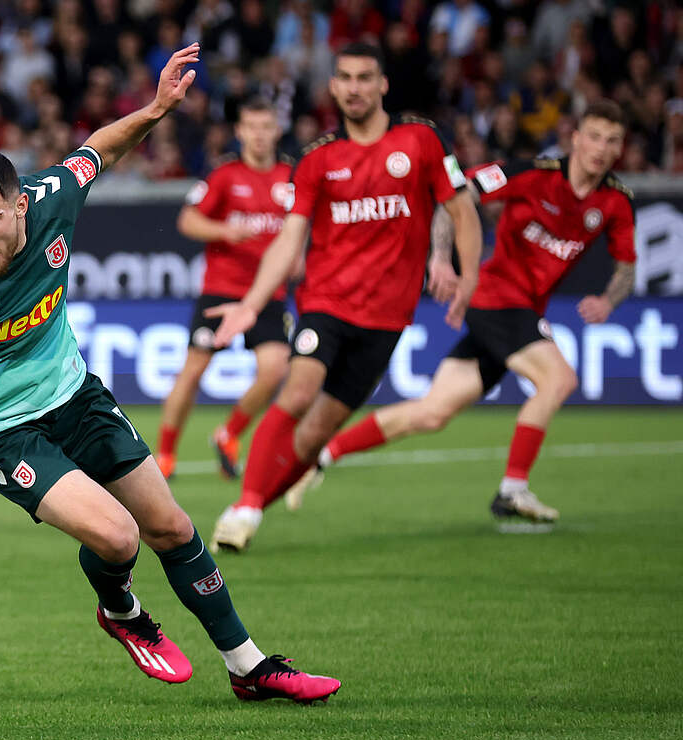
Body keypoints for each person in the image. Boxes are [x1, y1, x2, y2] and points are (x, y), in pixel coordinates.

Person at [0, 45, 341, 704]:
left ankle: (248, 667)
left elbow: (99, 149)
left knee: (170, 527)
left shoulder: (53, 194)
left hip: (73, 395)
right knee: (118, 535)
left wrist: (156, 108)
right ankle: (121, 612)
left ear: (21, 204)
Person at [286, 100, 636, 525]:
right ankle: (513, 489)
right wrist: (440, 257)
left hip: (519, 310)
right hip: (496, 299)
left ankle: (324, 454)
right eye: (594, 136)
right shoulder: (532, 172)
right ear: (576, 138)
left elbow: (627, 266)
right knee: (559, 379)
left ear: (620, 149)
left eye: (612, 141)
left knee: (432, 412)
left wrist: (609, 300)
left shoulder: (615, 201)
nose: (601, 148)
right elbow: (458, 195)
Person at [205, 42, 484, 552]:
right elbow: (290, 238)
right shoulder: (317, 158)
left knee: (313, 440)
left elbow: (461, 209)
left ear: (382, 85)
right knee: (297, 391)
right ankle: (244, 508)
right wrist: (252, 302)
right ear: (333, 87)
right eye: (345, 78)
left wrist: (464, 276)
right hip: (326, 304)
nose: (354, 88)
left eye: (365, 78)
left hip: (388, 316)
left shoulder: (420, 140)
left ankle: (249, 510)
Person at [155, 97, 298, 481]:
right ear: (240, 131)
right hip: (222, 290)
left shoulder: (291, 176)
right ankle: (165, 454)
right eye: (252, 127)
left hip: (268, 294)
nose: (259, 135)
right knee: (193, 371)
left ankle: (229, 434)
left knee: (275, 370)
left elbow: (300, 231)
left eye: (266, 126)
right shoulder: (225, 175)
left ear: (276, 130)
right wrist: (224, 230)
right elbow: (187, 219)